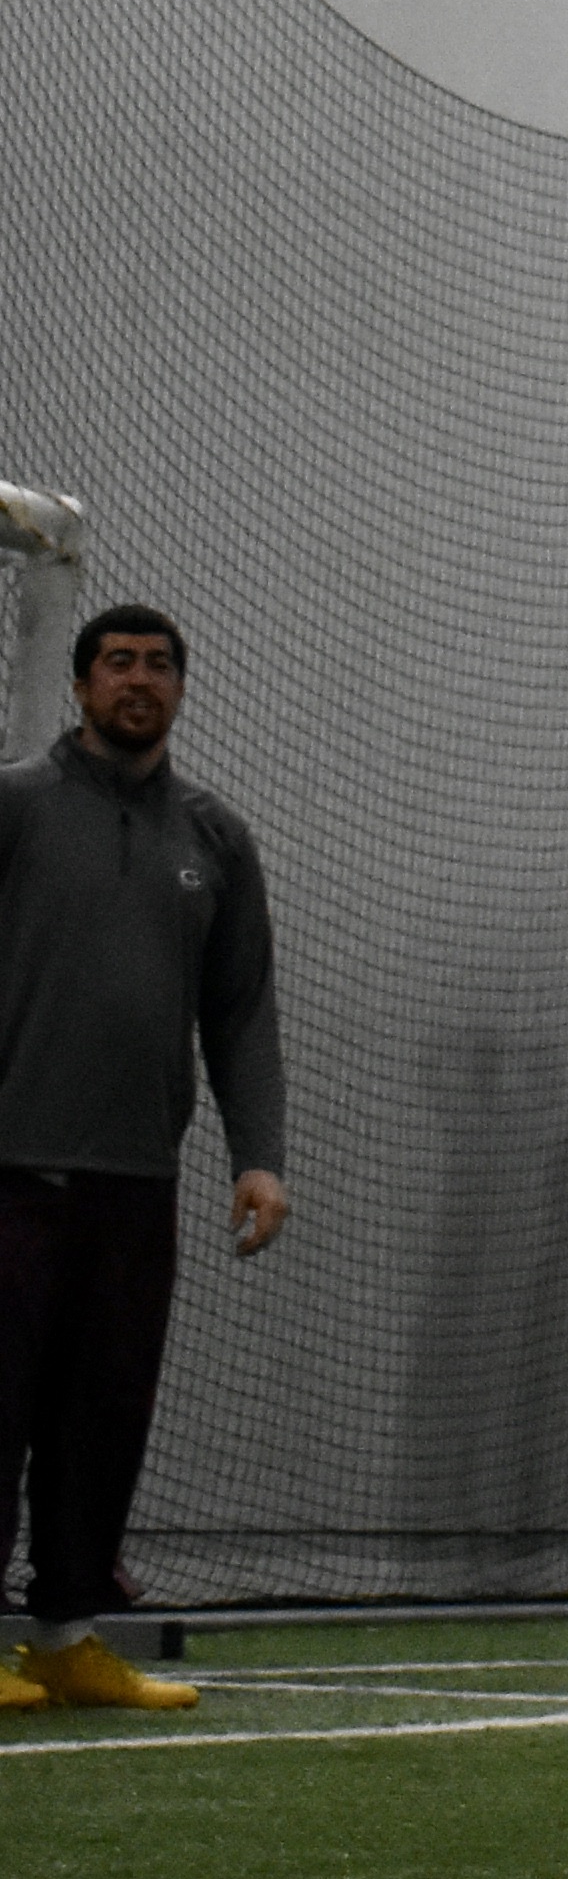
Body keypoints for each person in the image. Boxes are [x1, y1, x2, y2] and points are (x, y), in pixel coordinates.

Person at [0, 602, 286, 1717]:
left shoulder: (215, 837)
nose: (139, 680)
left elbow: (243, 1011)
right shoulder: (16, 804)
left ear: (180, 688)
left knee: (102, 1412)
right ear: (80, 686)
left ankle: (68, 1636)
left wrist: (258, 1156)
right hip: (13, 1171)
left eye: (160, 665)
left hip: (137, 1186)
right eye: (118, 662)